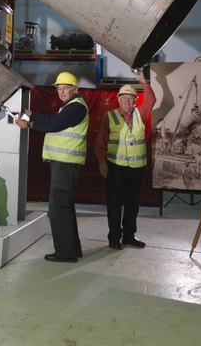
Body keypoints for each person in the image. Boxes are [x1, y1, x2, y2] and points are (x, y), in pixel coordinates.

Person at [16, 71, 88, 263]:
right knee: (65, 207)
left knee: (58, 209)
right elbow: (53, 120)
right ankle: (73, 249)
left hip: (66, 164)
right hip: (64, 164)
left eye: (66, 88)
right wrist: (35, 115)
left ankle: (65, 252)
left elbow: (54, 124)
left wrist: (29, 123)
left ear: (74, 89)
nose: (61, 91)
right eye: (59, 88)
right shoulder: (70, 107)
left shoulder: (75, 107)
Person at [94, 69, 155, 250]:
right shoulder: (109, 116)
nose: (127, 101)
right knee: (114, 203)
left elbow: (151, 99)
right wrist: (102, 162)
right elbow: (100, 142)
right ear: (118, 100)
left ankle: (129, 236)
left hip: (136, 168)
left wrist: (143, 81)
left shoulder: (140, 114)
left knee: (132, 204)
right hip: (116, 167)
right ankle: (114, 238)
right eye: (123, 98)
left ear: (136, 101)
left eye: (130, 98)